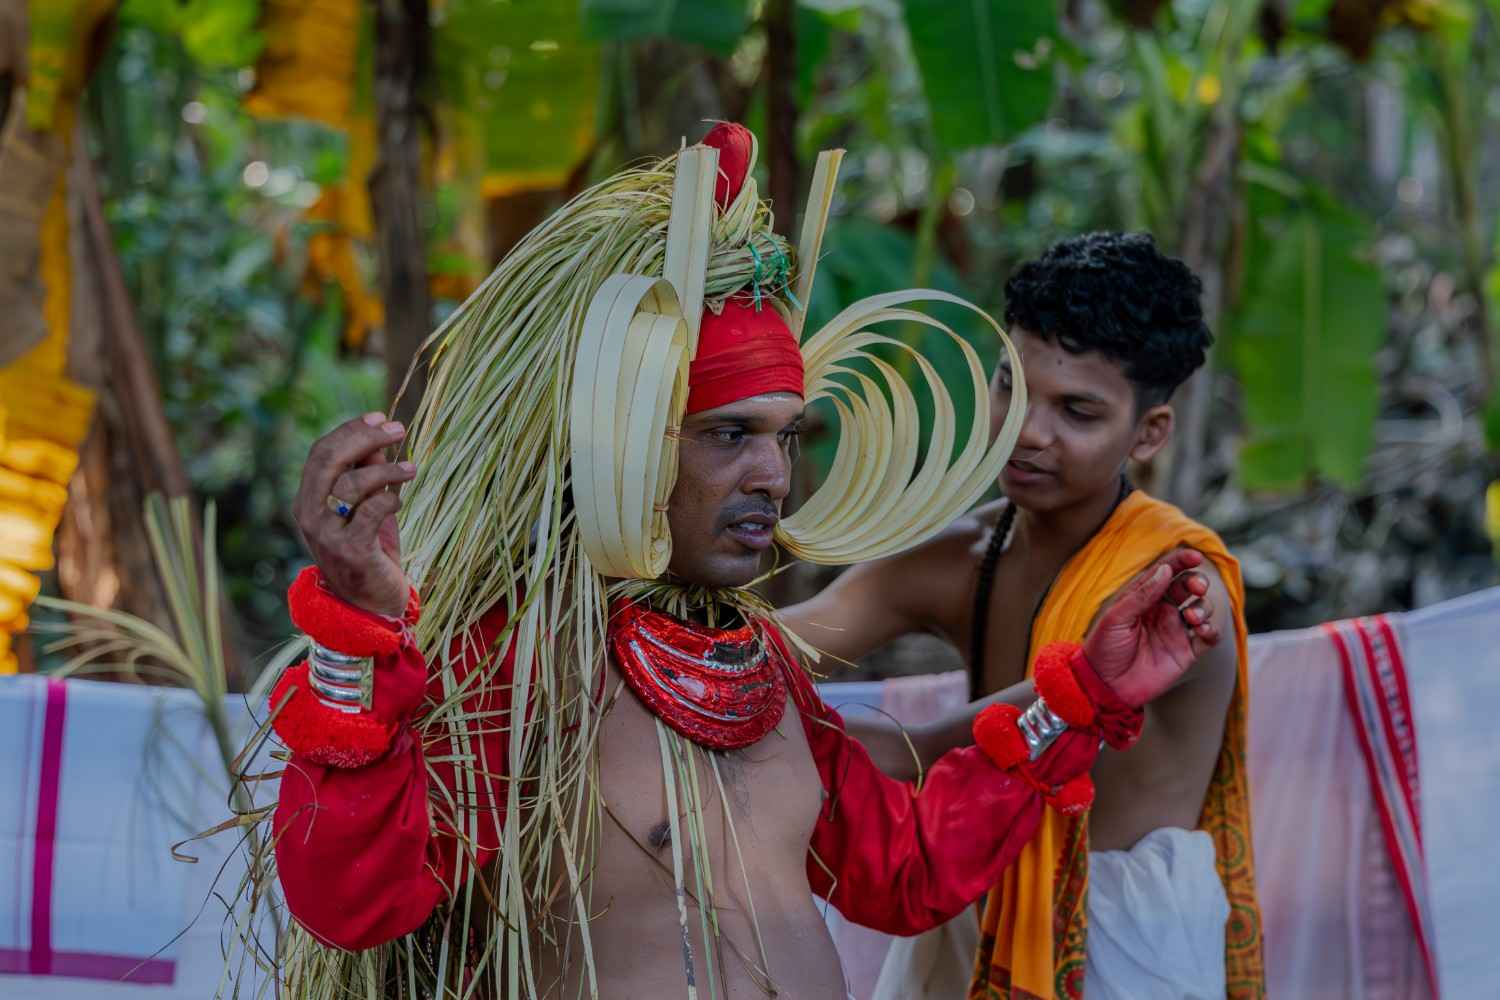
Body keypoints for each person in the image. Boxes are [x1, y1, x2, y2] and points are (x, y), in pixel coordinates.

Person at [259, 132, 1224, 999]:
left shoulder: (757, 674)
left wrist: (1083, 695)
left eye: (786, 437)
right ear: (628, 447)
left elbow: (907, 875)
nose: (772, 474)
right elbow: (351, 902)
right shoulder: (519, 664)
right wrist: (357, 634)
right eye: (728, 434)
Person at [781, 232, 1265, 1000]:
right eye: (1012, 385)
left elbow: (940, 750)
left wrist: (757, 737)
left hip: (1121, 941)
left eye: (1077, 411)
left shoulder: (1169, 594)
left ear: (1149, 433)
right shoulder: (962, 550)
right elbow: (784, 646)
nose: (1028, 431)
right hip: (977, 903)